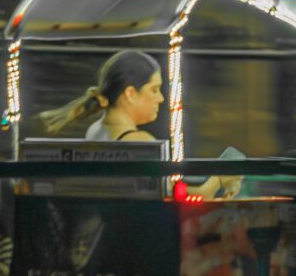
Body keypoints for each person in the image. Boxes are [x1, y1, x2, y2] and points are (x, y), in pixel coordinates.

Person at [38, 50, 240, 199]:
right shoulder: (140, 143)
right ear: (130, 94)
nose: (160, 98)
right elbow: (180, 198)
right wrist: (219, 180)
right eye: (154, 90)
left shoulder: (96, 130)